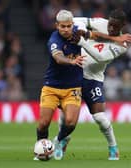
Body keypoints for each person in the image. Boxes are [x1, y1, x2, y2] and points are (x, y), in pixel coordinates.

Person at [34, 9, 131, 161]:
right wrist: (82, 30)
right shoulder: (100, 23)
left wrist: (82, 41)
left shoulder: (124, 43)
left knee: (100, 117)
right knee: (66, 115)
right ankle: (60, 142)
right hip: (74, 73)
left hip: (93, 79)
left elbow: (100, 57)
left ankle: (113, 147)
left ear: (123, 25)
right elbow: (77, 21)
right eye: (110, 24)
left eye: (115, 26)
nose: (111, 28)